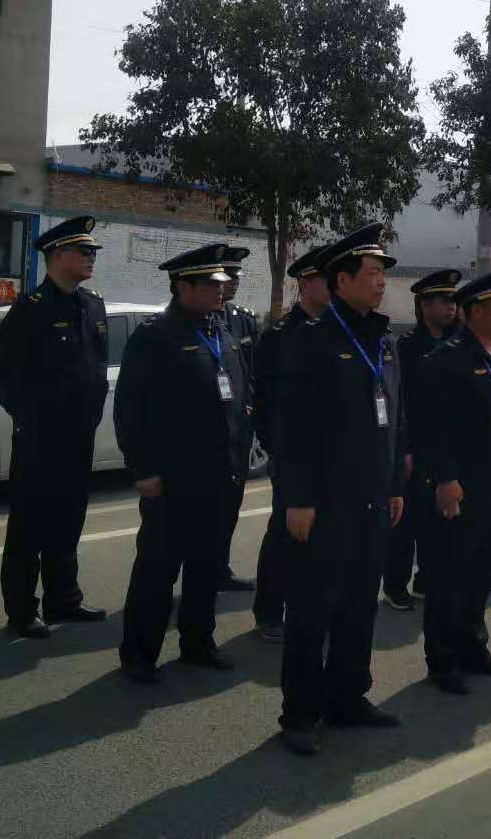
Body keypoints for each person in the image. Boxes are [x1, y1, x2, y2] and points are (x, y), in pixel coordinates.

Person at [273, 223, 408, 756]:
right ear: (342, 279)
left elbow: (394, 420)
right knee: (312, 611)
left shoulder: (383, 341)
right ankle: (300, 713)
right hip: (325, 504)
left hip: (371, 501)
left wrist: (395, 485)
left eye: (382, 272)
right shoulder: (312, 342)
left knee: (359, 606)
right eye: (373, 272)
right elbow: (293, 430)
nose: (381, 281)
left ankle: (348, 697)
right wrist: (299, 499)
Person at [115, 244, 253, 683]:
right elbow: (131, 410)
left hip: (220, 475)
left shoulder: (222, 332)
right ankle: (139, 655)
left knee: (206, 566)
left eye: (221, 283)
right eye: (210, 283)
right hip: (173, 479)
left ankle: (198, 642)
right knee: (158, 569)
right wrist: (144, 470)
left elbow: (239, 400)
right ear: (183, 287)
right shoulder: (155, 336)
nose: (220, 290)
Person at [0, 216, 109, 639]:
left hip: (79, 436)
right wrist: (31, 420)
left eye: (92, 252)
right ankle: (22, 611)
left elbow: (96, 368)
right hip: (40, 440)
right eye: (83, 251)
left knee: (68, 521)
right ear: (57, 256)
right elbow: (2, 374)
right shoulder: (31, 309)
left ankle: (64, 599)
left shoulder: (93, 305)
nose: (91, 258)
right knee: (29, 526)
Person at [415, 266, 491, 694]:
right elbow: (434, 428)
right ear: (475, 310)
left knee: (480, 574)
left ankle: (472, 647)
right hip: (461, 486)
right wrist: (446, 479)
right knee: (449, 576)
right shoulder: (448, 359)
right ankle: (443, 660)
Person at [251, 242, 331, 643]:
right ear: (305, 283)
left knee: (323, 535)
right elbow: (265, 402)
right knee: (285, 533)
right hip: (291, 454)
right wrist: (278, 449)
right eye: (325, 279)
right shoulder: (281, 336)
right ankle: (269, 610)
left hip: (329, 455)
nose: (333, 285)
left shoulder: (339, 331)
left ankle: (312, 609)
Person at [383, 268, 461, 611]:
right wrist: (405, 448)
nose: (451, 307)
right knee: (407, 521)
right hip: (417, 445)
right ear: (425, 305)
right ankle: (395, 584)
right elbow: (401, 401)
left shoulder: (457, 343)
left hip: (446, 446)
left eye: (454, 300)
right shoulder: (408, 346)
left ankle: (427, 579)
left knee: (438, 520)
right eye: (444, 300)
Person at [216, 246, 260, 593]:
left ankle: (219, 568)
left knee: (230, 505)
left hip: (238, 431)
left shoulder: (243, 320)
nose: (233, 283)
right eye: (227, 276)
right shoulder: (201, 318)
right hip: (208, 434)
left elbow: (255, 372)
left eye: (236, 277)